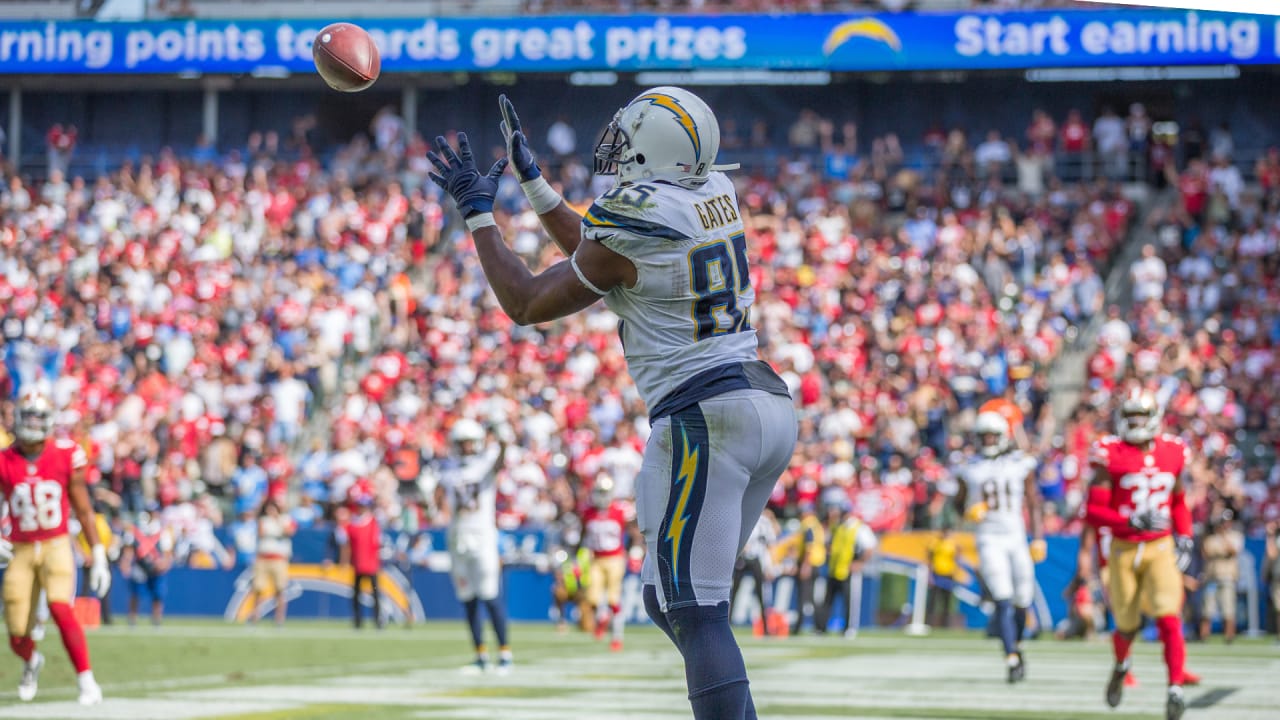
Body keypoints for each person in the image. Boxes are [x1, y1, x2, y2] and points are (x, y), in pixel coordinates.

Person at [427, 87, 797, 719]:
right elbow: (600, 251)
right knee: (672, 601)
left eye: (631, 138)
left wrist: (478, 216)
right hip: (760, 398)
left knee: (692, 609)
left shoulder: (638, 219)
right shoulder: (713, 194)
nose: (618, 148)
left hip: (706, 413)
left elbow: (527, 302)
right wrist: (536, 185)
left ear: (658, 151)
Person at [1085, 388, 1195, 720]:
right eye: (1130, 415)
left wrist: (1185, 536)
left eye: (1141, 416)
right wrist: (1128, 519)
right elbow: (1092, 511)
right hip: (1123, 546)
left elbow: (1178, 501)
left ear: (1154, 418)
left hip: (1159, 545)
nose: (1135, 422)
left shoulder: (1173, 452)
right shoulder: (1111, 453)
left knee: (1168, 615)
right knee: (1126, 623)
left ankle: (1174, 687)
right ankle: (1121, 664)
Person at [0, 387, 110, 704]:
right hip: (21, 548)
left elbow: (85, 509)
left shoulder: (65, 453)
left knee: (62, 608)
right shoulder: (6, 460)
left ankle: (86, 680)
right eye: (28, 415)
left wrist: (98, 554)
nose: (33, 422)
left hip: (55, 543)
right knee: (17, 631)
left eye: (39, 416)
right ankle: (32, 661)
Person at [953, 411, 1044, 684]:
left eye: (993, 435)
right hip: (988, 537)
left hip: (1015, 536)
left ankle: (1016, 645)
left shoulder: (1019, 463)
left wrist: (1038, 537)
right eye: (984, 436)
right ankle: (1011, 657)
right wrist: (968, 510)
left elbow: (1033, 501)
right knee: (1002, 597)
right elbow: (957, 504)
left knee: (1023, 599)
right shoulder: (970, 467)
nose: (989, 440)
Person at [439, 418, 511, 675]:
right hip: (458, 537)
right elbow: (441, 499)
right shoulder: (447, 469)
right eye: (462, 443)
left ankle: (504, 654)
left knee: (490, 596)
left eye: (470, 442)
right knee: (468, 599)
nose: (467, 447)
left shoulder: (485, 464)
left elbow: (499, 462)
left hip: (482, 537)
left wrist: (502, 443)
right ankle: (480, 655)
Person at [582, 473, 632, 651]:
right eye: (599, 491)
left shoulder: (619, 511)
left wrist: (634, 550)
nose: (601, 495)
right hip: (596, 558)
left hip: (615, 557)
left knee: (613, 599)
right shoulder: (589, 512)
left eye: (604, 492)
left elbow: (633, 531)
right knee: (593, 598)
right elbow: (583, 535)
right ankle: (602, 617)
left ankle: (617, 637)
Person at [815, 498, 877, 638]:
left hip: (849, 570)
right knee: (827, 601)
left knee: (849, 601)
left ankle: (849, 628)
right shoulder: (837, 526)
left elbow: (869, 547)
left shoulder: (858, 527)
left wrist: (860, 563)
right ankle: (821, 628)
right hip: (834, 568)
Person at [119, 507, 175, 627]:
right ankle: (132, 618)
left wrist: (164, 564)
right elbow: (129, 549)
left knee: (158, 595)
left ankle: (156, 619)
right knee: (136, 593)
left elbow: (167, 553)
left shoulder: (162, 530)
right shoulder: (134, 529)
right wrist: (126, 562)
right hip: (139, 565)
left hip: (156, 567)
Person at [248, 498, 295, 627]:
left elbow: (289, 531)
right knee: (258, 589)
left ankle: (279, 619)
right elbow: (261, 533)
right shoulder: (263, 521)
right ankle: (254, 617)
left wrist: (278, 520)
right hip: (263, 558)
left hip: (279, 559)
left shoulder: (285, 519)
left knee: (280, 590)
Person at [1198, 511, 1243, 643]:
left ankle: (1229, 637)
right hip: (1211, 577)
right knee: (1207, 610)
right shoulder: (1211, 538)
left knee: (1228, 609)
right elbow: (1206, 553)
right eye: (1222, 522)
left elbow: (1232, 551)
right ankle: (1203, 636)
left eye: (1227, 522)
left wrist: (1223, 537)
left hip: (1227, 577)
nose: (1224, 525)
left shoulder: (1236, 536)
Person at [343, 493, 384, 630]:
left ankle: (378, 621)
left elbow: (377, 544)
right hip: (357, 565)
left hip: (371, 565)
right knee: (356, 595)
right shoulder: (353, 524)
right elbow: (346, 543)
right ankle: (358, 621)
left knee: (375, 594)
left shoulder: (373, 523)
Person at [732, 509, 776, 636]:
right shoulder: (743, 517)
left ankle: (765, 627)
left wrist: (769, 566)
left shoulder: (765, 522)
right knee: (733, 592)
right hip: (742, 558)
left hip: (757, 559)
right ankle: (727, 623)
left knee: (761, 593)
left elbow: (771, 543)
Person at [788, 503, 826, 635]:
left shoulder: (808, 525)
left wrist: (805, 566)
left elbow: (809, 547)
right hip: (814, 564)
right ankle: (819, 627)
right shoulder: (816, 524)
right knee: (810, 597)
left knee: (804, 598)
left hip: (809, 564)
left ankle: (800, 627)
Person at [926, 527, 959, 629]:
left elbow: (956, 557)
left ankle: (945, 624)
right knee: (933, 600)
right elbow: (929, 558)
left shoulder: (953, 544)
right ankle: (928, 623)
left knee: (946, 601)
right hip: (937, 573)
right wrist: (930, 574)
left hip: (948, 574)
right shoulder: (935, 543)